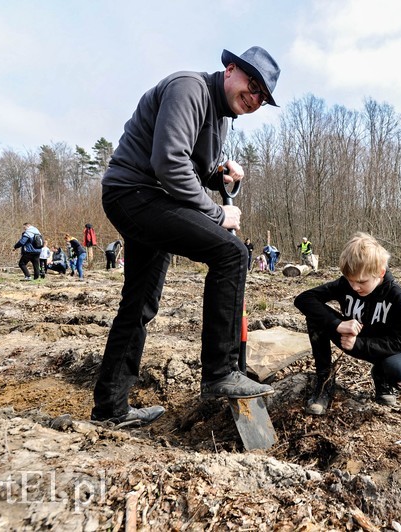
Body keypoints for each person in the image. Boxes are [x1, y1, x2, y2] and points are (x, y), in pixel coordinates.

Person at [90, 46, 281, 427]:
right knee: (231, 253)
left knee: (140, 304)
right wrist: (217, 212)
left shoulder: (222, 116)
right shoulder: (188, 89)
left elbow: (193, 169)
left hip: (153, 197)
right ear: (230, 69)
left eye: (262, 95)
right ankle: (220, 372)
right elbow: (168, 163)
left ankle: (110, 408)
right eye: (251, 84)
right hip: (135, 193)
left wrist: (220, 177)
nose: (254, 97)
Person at [294, 232, 401, 416]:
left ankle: (381, 378)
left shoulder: (394, 294)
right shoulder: (346, 284)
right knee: (315, 317)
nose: (354, 287)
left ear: (380, 272)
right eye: (350, 280)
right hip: (346, 336)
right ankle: (324, 381)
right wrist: (337, 324)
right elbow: (304, 299)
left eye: (361, 282)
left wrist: (359, 343)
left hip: (379, 350)